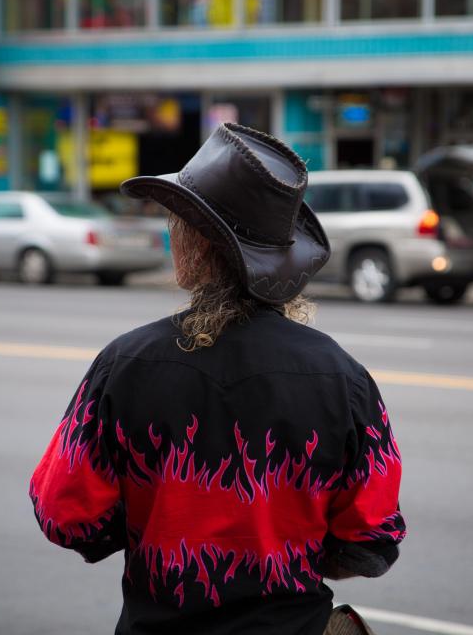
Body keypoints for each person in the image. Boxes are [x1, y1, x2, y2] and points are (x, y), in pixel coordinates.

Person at [30, 123, 405, 635]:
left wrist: (151, 522)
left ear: (195, 248)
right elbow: (370, 538)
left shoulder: (127, 364)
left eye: (175, 222)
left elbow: (65, 515)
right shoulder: (343, 378)